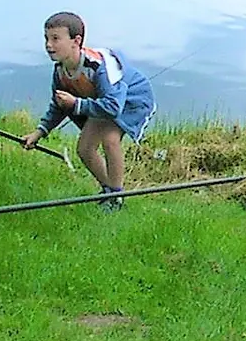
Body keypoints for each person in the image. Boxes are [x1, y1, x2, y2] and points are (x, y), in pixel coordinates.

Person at [21, 11, 155, 208]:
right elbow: (59, 105)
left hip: (131, 99)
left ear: (76, 41)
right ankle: (108, 190)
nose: (49, 45)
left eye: (56, 39)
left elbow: (113, 107)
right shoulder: (61, 70)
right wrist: (40, 132)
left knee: (110, 139)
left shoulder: (98, 68)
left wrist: (76, 104)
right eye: (46, 39)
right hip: (102, 103)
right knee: (84, 148)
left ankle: (116, 197)